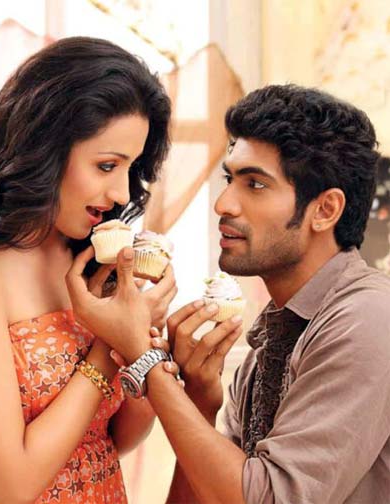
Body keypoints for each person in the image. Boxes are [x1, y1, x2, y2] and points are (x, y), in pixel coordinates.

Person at [66, 84, 390, 503]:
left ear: (325, 210)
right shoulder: (267, 346)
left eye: (255, 184)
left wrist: (143, 357)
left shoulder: (369, 317)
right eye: (229, 179)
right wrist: (199, 401)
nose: (223, 204)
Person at [0, 36, 177, 504]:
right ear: (45, 148)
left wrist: (141, 343)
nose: (123, 193)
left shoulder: (88, 259)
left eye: (130, 168)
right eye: (106, 165)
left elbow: (111, 441)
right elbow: (12, 485)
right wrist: (107, 348)